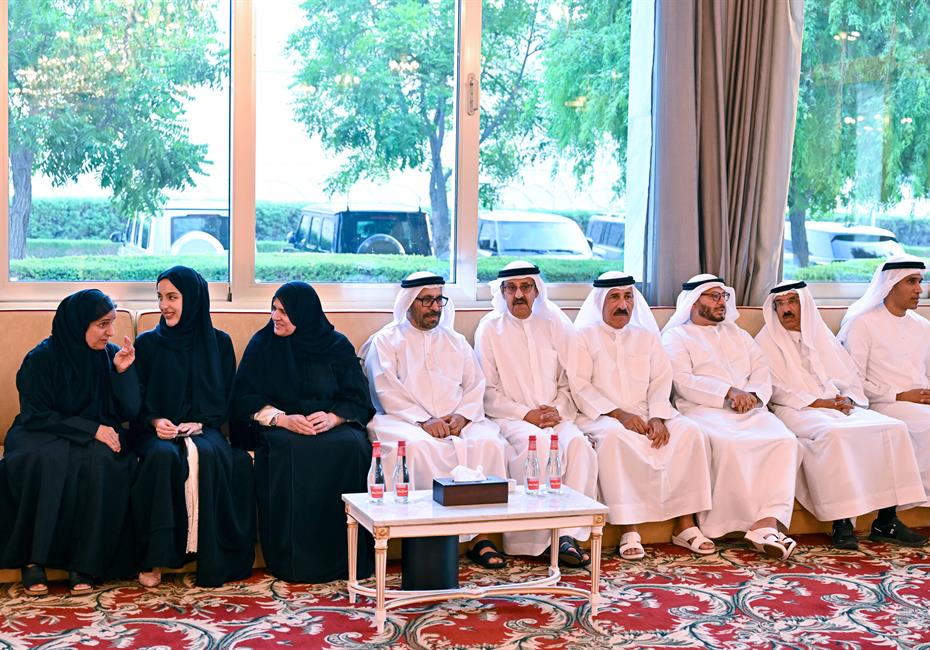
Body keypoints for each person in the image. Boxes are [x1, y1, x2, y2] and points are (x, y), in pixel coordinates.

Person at [757, 280, 927, 548]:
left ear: (806, 305)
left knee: (892, 428)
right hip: (798, 409)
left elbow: (849, 376)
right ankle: (842, 522)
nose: (786, 310)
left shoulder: (821, 334)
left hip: (838, 406)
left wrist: (847, 397)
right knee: (835, 435)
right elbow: (774, 389)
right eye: (780, 304)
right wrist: (819, 403)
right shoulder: (765, 340)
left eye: (792, 302)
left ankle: (887, 522)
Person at [362, 272, 510, 568]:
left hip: (455, 421)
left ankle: (477, 535)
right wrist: (423, 421)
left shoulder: (455, 340)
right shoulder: (387, 341)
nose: (434, 307)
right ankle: (425, 536)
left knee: (489, 443)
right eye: (426, 300)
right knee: (417, 449)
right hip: (402, 420)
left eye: (438, 300)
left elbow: (474, 385)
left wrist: (463, 416)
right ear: (409, 302)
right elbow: (385, 389)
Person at [231, 282, 375, 582]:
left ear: (304, 313)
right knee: (293, 449)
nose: (275, 317)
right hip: (281, 428)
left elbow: (359, 397)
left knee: (353, 446)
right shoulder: (263, 345)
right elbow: (242, 398)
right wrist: (282, 419)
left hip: (328, 425)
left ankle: (350, 559)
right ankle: (295, 563)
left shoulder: (335, 345)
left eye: (284, 311)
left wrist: (335, 417)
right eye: (274, 309)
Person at [0, 290, 139, 595]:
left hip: (92, 435)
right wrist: (91, 429)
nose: (111, 332)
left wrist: (121, 373)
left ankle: (85, 562)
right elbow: (36, 414)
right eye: (103, 324)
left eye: (113, 323)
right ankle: (32, 560)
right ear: (79, 324)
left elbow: (129, 411)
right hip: (41, 432)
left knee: (100, 462)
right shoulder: (41, 359)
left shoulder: (109, 356)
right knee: (43, 460)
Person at [570, 272, 714, 560]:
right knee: (614, 440)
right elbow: (579, 385)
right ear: (600, 301)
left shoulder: (646, 337)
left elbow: (662, 379)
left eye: (628, 297)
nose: (622, 304)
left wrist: (659, 416)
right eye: (614, 297)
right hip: (604, 415)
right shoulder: (583, 337)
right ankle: (628, 528)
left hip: (649, 411)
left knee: (690, 432)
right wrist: (620, 415)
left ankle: (685, 525)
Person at [130, 266, 256, 588]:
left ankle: (209, 557)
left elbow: (227, 397)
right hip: (154, 430)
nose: (164, 306)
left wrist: (200, 422)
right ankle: (154, 558)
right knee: (162, 457)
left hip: (204, 428)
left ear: (194, 299)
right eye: (160, 297)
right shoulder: (148, 344)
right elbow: (138, 400)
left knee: (211, 456)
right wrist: (157, 421)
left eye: (172, 297)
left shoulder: (219, 343)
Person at [661, 274, 800, 560]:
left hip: (750, 408)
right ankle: (728, 525)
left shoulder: (738, 333)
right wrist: (728, 392)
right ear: (693, 301)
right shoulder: (676, 336)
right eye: (712, 296)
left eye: (723, 296)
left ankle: (766, 523)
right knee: (729, 444)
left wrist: (752, 395)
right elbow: (682, 380)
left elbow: (762, 369)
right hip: (704, 410)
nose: (721, 302)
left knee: (784, 440)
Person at [474, 261, 598, 567]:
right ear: (501, 292)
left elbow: (570, 381)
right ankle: (532, 540)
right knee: (538, 448)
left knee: (580, 446)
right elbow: (487, 391)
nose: (519, 294)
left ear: (536, 290)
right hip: (511, 419)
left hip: (555, 415)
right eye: (512, 288)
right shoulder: (490, 328)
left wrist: (557, 409)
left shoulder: (554, 325)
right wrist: (525, 414)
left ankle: (567, 535)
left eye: (526, 287)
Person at [838, 255, 930, 546]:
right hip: (879, 404)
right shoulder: (862, 323)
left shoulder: (921, 325)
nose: (920, 289)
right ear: (890, 284)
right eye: (911, 282)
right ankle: (886, 520)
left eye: (920, 282)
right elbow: (852, 381)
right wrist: (900, 395)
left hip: (919, 402)